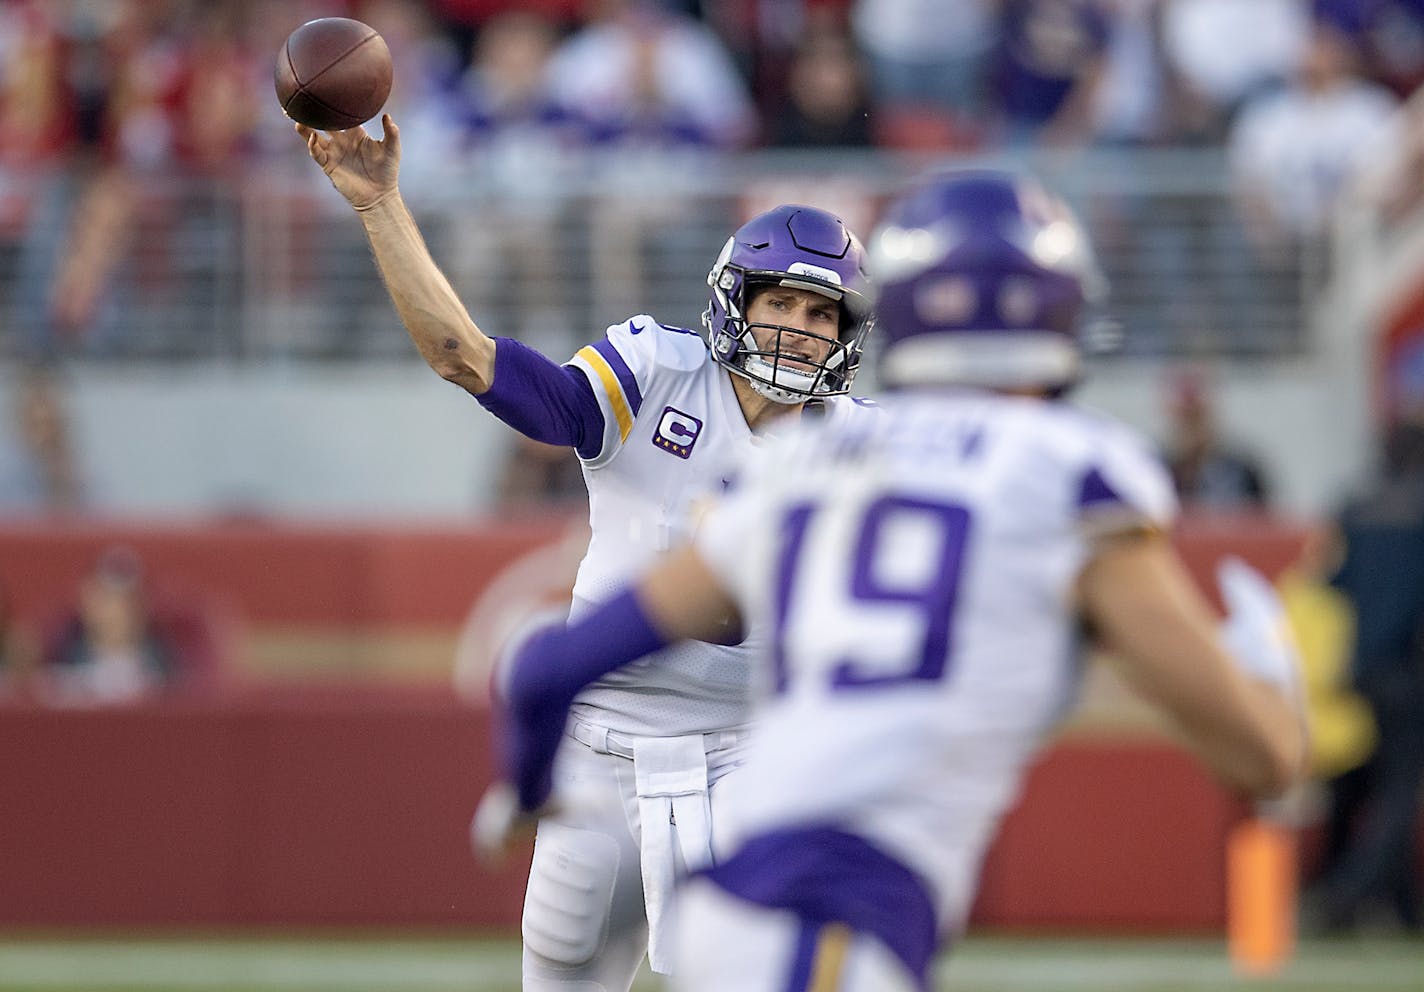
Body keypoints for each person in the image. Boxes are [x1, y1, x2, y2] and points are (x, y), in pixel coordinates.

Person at [480, 169, 1309, 990]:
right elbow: (1262, 759)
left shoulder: (812, 464)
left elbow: (546, 668)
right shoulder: (1074, 474)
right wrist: (1270, 673)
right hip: (836, 916)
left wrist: (525, 792)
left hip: (739, 889)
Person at [295, 112, 877, 989]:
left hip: (752, 748)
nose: (799, 329)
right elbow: (470, 361)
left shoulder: (866, 448)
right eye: (781, 303)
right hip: (601, 749)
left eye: (819, 312)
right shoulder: (657, 373)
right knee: (562, 966)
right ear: (738, 302)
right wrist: (381, 206)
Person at [1312, 416, 1424, 933]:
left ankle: (1402, 908)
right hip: (1410, 670)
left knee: (1364, 789)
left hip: (1362, 668)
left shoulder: (1358, 505)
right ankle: (1341, 896)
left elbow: (1333, 581)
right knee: (1399, 794)